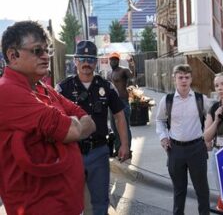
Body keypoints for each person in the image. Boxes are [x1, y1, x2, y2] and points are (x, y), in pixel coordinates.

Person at [0, 21, 96, 215]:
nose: (45, 56)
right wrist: (69, 128)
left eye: (47, 50)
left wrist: (59, 131)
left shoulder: (43, 88)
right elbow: (74, 130)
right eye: (37, 51)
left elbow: (89, 122)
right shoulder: (7, 91)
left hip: (67, 203)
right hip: (38, 206)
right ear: (12, 55)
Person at [55, 41, 130, 215]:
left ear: (96, 62)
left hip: (99, 151)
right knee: (69, 201)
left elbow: (119, 116)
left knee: (100, 202)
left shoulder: (106, 86)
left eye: (90, 59)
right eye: (82, 58)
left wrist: (124, 145)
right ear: (75, 60)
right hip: (71, 152)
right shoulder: (62, 88)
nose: (86, 63)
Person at [156, 63, 211, 215]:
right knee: (179, 191)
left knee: (202, 190)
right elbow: (160, 120)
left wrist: (209, 135)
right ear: (174, 79)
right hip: (175, 150)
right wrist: (163, 137)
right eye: (180, 77)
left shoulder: (200, 99)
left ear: (191, 79)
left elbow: (212, 114)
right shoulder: (167, 100)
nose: (184, 80)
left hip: (197, 149)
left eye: (187, 77)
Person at [203, 71, 223, 214]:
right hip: (219, 154)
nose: (220, 88)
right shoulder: (214, 108)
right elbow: (206, 137)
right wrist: (216, 120)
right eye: (216, 85)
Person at [107, 52, 133, 156]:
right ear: (109, 61)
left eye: (116, 59)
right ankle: (118, 149)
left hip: (122, 102)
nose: (114, 61)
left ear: (118, 61)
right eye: (112, 59)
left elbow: (132, 75)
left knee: (125, 126)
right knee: (114, 128)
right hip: (112, 104)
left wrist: (131, 64)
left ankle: (128, 150)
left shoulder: (123, 70)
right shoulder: (109, 73)